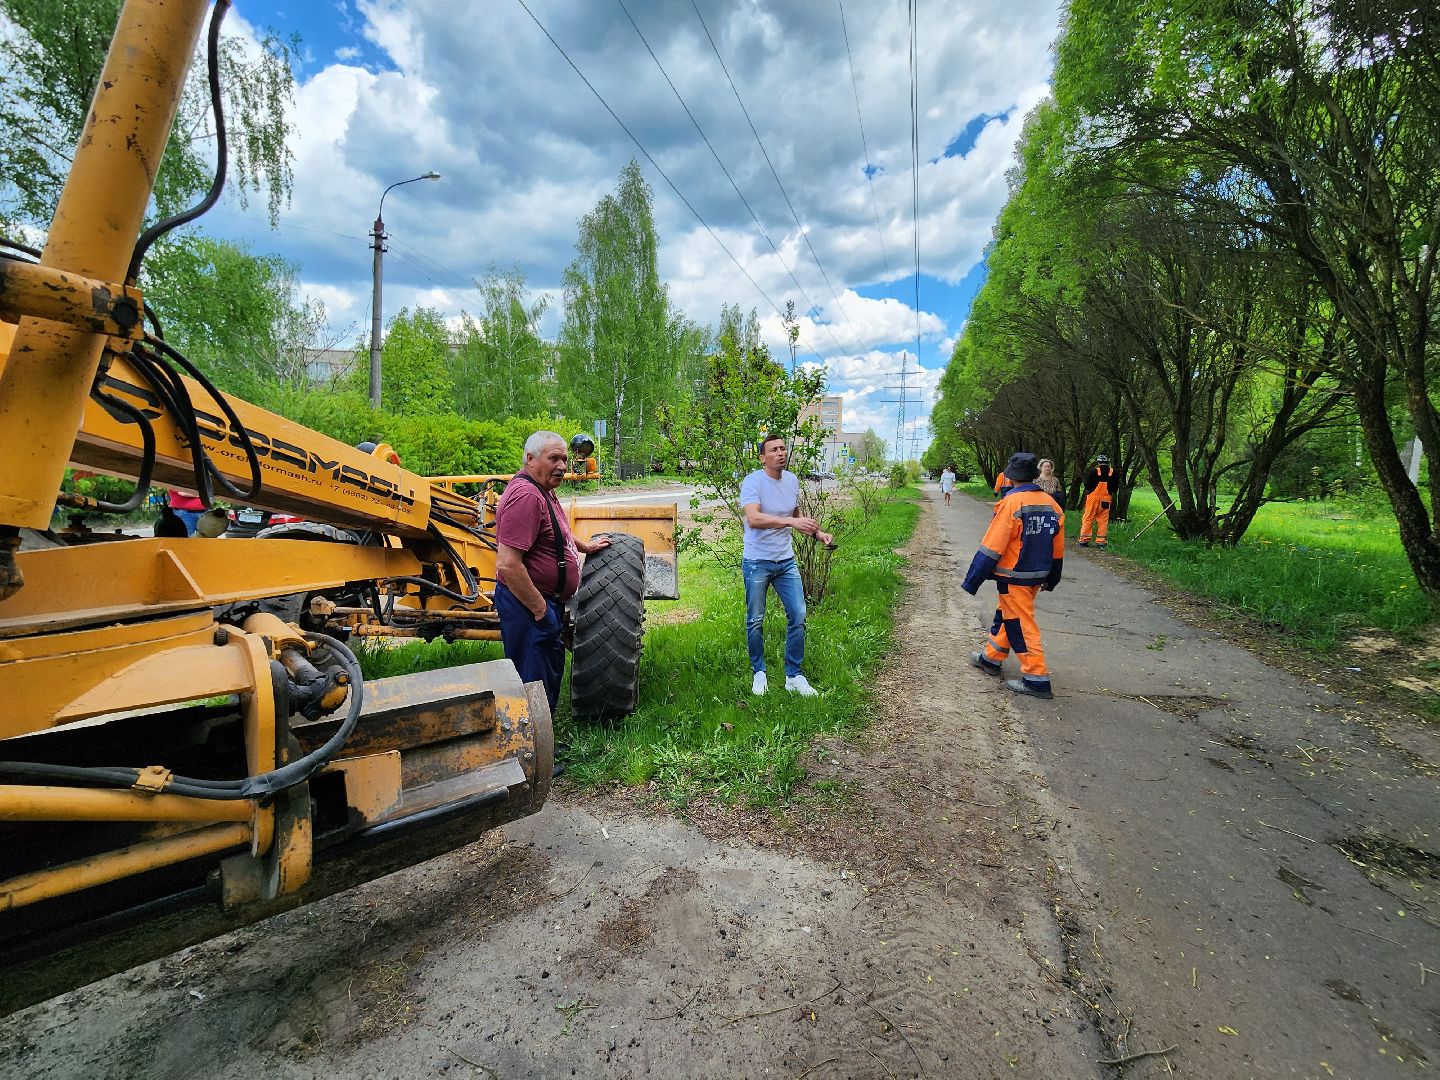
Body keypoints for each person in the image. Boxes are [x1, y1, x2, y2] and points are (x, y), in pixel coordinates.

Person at [493, 431, 611, 716]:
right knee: (532, 684)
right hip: (529, 606)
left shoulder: (543, 489)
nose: (561, 465)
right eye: (553, 458)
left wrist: (584, 546)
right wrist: (540, 609)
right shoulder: (526, 497)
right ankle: (529, 752)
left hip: (543, 604)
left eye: (564, 459)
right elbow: (508, 564)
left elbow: (557, 531)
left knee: (546, 677)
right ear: (531, 459)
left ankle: (542, 748)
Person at [962, 452, 1064, 699]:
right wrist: (1053, 577)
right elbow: (1057, 547)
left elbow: (993, 545)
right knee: (1009, 615)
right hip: (1037, 575)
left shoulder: (1012, 503)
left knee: (1019, 622)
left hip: (1014, 575)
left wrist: (973, 579)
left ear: (1011, 476)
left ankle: (1037, 678)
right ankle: (991, 658)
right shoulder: (1052, 505)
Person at [740, 435, 833, 697]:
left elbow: (796, 517)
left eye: (783, 448)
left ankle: (794, 676)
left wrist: (817, 533)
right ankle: (759, 673)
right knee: (756, 620)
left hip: (786, 561)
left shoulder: (791, 481)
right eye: (774, 450)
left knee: (798, 615)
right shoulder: (753, 482)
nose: (781, 453)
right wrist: (793, 524)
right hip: (757, 560)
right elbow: (754, 518)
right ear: (762, 457)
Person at [1078, 454, 1117, 548]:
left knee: (1088, 518)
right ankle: (1101, 541)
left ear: (1098, 462)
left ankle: (1084, 540)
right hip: (1106, 499)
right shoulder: (1113, 472)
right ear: (1108, 462)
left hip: (1093, 499)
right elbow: (1115, 488)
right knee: (1103, 520)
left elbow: (1087, 486)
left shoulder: (1094, 472)